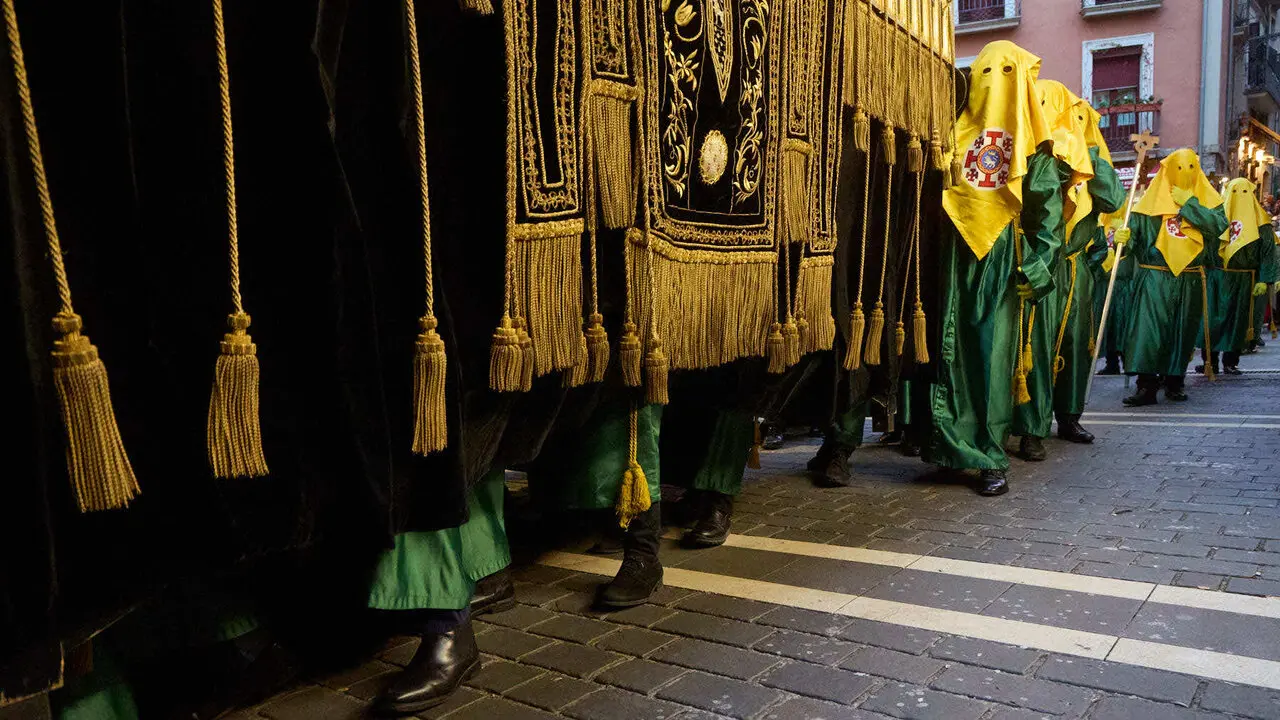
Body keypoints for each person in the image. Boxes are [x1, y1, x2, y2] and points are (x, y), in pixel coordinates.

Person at [924, 41, 1063, 497]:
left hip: (1003, 257)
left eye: (1005, 72)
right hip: (952, 255)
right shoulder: (952, 134)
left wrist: (1039, 268)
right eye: (985, 71)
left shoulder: (1035, 148)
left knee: (990, 356)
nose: (993, 82)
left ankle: (988, 454)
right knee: (948, 352)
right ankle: (949, 447)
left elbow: (1046, 213)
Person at [1012, 80, 1124, 460]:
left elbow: (1111, 197)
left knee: (1075, 346)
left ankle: (1069, 416)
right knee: (1035, 346)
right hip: (1040, 262)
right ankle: (1031, 427)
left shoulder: (1089, 158)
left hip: (1075, 270)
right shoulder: (1031, 150)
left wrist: (1091, 149)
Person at [1120, 149, 1228, 405]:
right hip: (1155, 277)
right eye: (1178, 168)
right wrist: (1123, 240)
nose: (1185, 174)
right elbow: (1134, 239)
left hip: (1189, 278)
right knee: (1149, 331)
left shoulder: (1208, 202)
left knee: (1182, 331)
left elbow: (1219, 226)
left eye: (1191, 167)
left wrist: (1190, 203)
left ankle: (1175, 381)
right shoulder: (1147, 205)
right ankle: (1146, 385)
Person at [1202, 179, 1280, 374]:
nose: (1240, 196)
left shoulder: (1261, 223)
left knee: (1238, 322)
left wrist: (1265, 279)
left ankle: (1231, 361)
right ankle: (1209, 361)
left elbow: (1268, 252)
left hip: (1245, 280)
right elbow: (1206, 247)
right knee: (1213, 321)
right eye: (1236, 191)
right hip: (1218, 278)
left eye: (1245, 191)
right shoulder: (1218, 218)